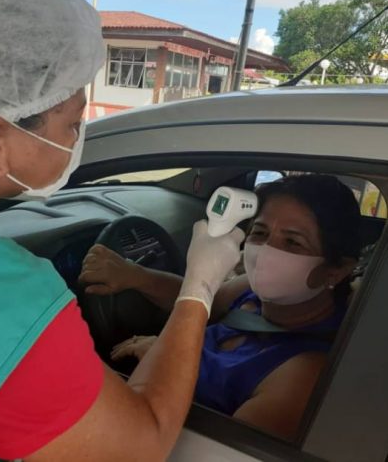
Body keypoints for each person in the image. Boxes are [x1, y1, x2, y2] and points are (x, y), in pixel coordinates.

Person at [0, 0, 245, 461]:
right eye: (74, 124)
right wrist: (199, 286)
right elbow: (141, 444)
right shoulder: (0, 297)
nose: (77, 141)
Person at [80, 174, 361, 440]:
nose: (266, 251)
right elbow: (200, 299)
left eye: (292, 242)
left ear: (335, 270)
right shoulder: (250, 290)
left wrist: (162, 360)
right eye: (260, 232)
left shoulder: (305, 375)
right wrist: (135, 276)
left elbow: (219, 452)